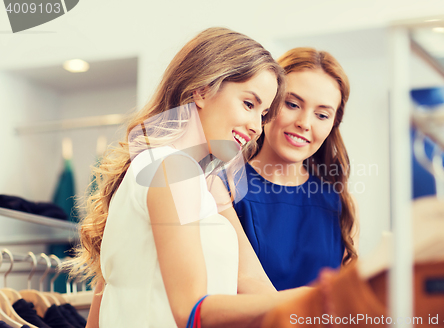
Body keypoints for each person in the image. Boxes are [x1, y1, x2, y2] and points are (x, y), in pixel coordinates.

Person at [66, 28, 311, 328]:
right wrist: (313, 299)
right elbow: (192, 311)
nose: (257, 127)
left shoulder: (191, 178)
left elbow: (249, 280)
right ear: (202, 90)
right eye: (249, 104)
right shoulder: (171, 169)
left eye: (263, 114)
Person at [216, 47, 359, 291]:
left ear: (334, 124)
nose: (304, 123)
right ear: (268, 103)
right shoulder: (222, 187)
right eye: (292, 104)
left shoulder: (339, 203)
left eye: (322, 115)